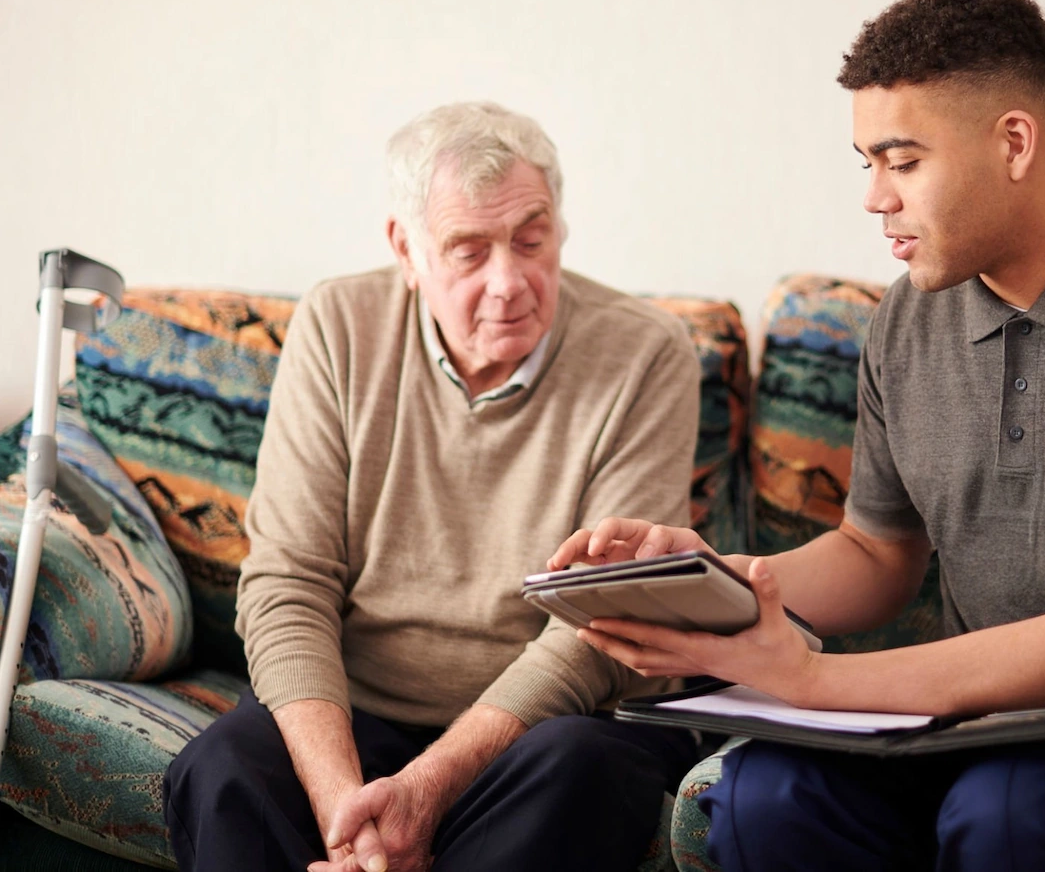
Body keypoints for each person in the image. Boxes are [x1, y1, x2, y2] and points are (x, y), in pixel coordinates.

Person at [549, 0, 1045, 872]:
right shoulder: (907, 321)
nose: (875, 198)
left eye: (902, 161)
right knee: (768, 794)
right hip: (984, 723)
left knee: (1015, 812)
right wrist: (708, 581)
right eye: (863, 163)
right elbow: (876, 554)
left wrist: (815, 680)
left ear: (1014, 142)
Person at [163, 101, 701, 872]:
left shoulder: (645, 354)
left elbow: (605, 623)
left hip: (544, 727)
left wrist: (427, 788)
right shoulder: (338, 325)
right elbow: (289, 581)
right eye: (468, 251)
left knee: (584, 773)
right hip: (363, 712)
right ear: (406, 250)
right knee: (220, 772)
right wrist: (346, 812)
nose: (509, 282)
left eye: (531, 238)